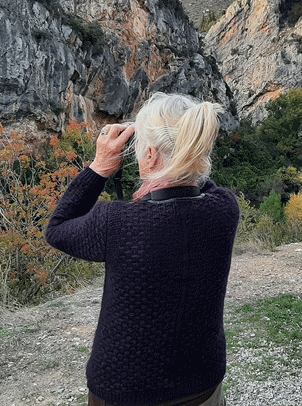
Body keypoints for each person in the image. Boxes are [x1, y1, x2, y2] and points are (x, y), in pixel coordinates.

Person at [46, 92, 239, 406]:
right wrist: (183, 154)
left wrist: (98, 167)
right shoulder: (224, 209)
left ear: (149, 155)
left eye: (138, 150)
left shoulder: (117, 222)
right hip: (203, 383)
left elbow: (57, 228)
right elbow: (201, 183)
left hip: (125, 392)